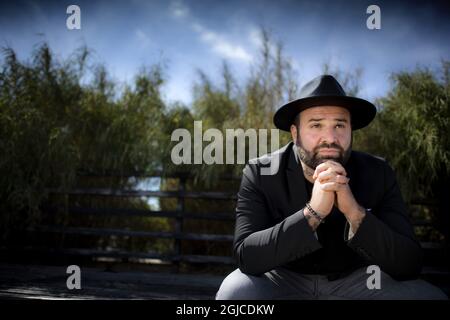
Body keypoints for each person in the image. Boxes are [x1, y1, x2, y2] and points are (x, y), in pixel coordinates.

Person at [216, 75, 447, 300]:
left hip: (363, 280)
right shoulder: (260, 172)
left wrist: (355, 213)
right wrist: (312, 214)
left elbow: (410, 263)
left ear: (350, 130)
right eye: (316, 125)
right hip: (282, 276)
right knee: (235, 291)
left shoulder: (379, 172)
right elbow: (246, 256)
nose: (330, 137)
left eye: (339, 125)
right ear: (295, 133)